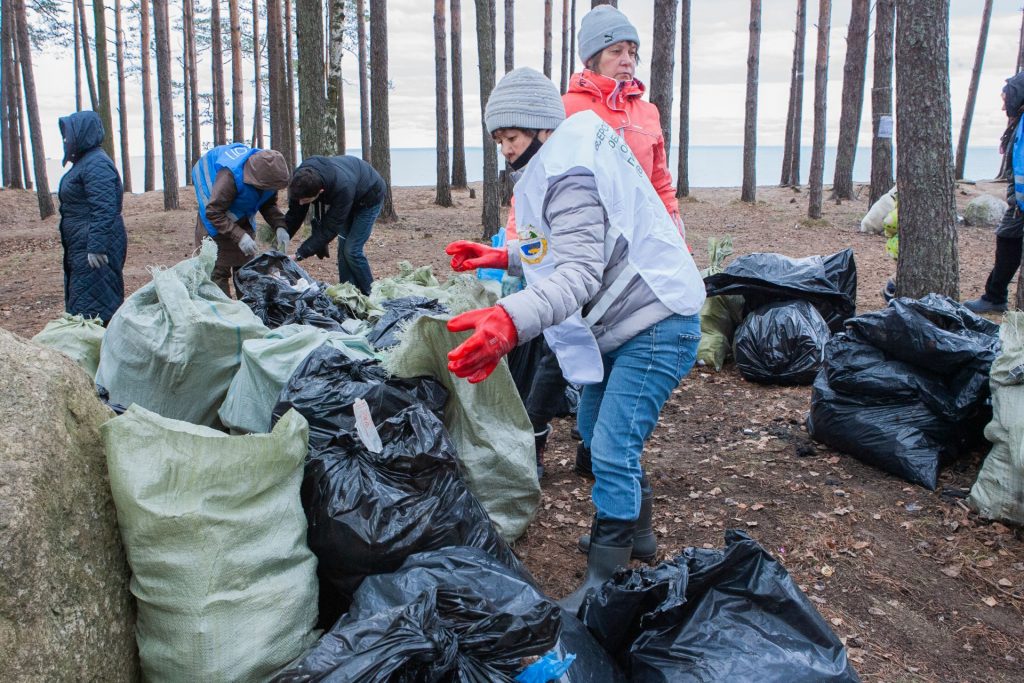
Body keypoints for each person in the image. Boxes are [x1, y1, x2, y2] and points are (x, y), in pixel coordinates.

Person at [444, 68, 704, 612]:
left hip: (656, 322)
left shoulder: (569, 176)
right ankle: (637, 533)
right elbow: (555, 246)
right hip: (627, 322)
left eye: (511, 138)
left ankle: (604, 576)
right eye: (498, 141)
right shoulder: (558, 161)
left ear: (540, 129)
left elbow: (580, 273)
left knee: (611, 445)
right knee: (593, 428)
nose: (505, 152)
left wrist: (510, 319)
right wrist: (503, 256)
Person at [507, 4, 686, 480]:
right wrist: (516, 246)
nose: (627, 59)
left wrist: (675, 235)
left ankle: (597, 452)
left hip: (634, 249)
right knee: (558, 341)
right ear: (592, 58)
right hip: (578, 241)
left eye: (632, 51)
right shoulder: (566, 109)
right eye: (616, 50)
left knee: (617, 341)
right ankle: (537, 433)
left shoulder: (646, 111)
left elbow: (661, 181)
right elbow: (533, 184)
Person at [57, 110, 127, 325]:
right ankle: (91, 346)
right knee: (86, 299)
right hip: (83, 245)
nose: (65, 140)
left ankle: (99, 350)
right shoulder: (86, 161)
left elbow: (104, 207)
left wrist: (96, 246)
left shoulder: (96, 164)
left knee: (96, 304)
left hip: (95, 248)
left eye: (69, 135)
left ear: (83, 134)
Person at [193, 143, 290, 297]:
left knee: (246, 272)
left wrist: (280, 226)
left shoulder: (270, 176)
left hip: (241, 214)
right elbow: (213, 212)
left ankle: (248, 311)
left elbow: (268, 204)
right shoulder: (230, 176)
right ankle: (224, 315)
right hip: (214, 217)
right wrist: (240, 236)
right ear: (258, 180)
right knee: (217, 272)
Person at [964, 73, 1024, 314]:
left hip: (1020, 203)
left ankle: (995, 296)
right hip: (1018, 202)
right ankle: (995, 296)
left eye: (1005, 100)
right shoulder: (1019, 120)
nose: (1002, 106)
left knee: (1007, 238)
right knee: (1007, 238)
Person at [282, 155, 386, 296]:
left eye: (305, 200)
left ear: (320, 191)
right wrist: (281, 240)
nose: (300, 203)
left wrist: (299, 254)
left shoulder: (342, 188)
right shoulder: (300, 180)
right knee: (343, 250)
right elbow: (295, 214)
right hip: (350, 193)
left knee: (352, 250)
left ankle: (371, 294)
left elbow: (329, 229)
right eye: (298, 199)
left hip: (369, 197)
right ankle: (348, 293)